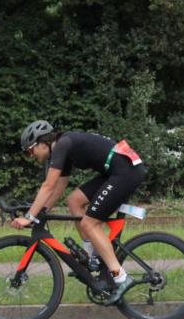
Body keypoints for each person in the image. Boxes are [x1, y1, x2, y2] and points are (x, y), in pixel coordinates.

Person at [12, 120, 146, 305]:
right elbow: (59, 188)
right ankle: (93, 258)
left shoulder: (62, 145)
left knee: (89, 223)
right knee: (74, 200)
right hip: (117, 171)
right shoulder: (63, 149)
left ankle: (121, 277)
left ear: (42, 143)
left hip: (126, 173)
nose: (30, 155)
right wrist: (41, 212)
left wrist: (29, 217)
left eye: (29, 150)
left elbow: (48, 186)